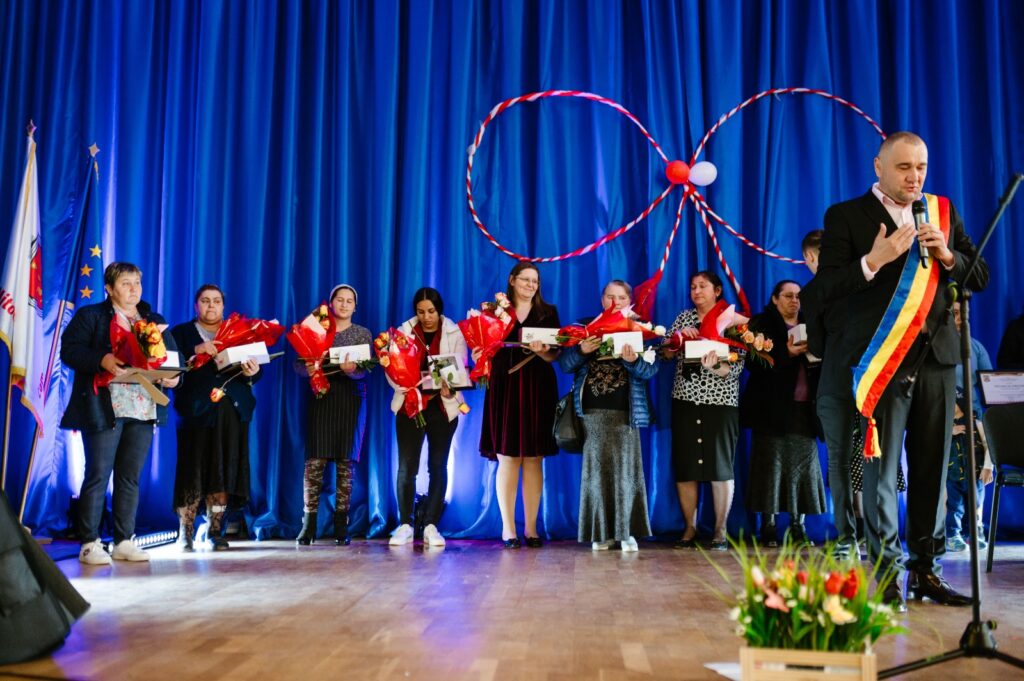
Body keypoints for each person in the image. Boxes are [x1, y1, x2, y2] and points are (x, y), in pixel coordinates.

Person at [814, 131, 988, 611]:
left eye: (921, 167)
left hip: (938, 360)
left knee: (932, 468)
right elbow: (826, 289)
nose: (915, 177)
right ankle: (888, 573)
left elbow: (980, 275)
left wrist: (948, 255)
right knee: (882, 474)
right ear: (879, 167)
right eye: (904, 167)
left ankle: (927, 568)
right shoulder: (846, 216)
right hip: (882, 361)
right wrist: (874, 261)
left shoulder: (942, 213)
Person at [60, 262, 180, 565]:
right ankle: (90, 542)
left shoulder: (153, 320)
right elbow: (69, 350)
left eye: (137, 283)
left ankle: (124, 540)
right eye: (126, 283)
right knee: (98, 474)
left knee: (130, 477)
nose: (133, 289)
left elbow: (172, 360)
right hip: (104, 406)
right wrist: (103, 359)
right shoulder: (92, 316)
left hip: (143, 407)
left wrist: (172, 378)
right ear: (109, 288)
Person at [559, 281, 658, 552]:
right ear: (602, 299)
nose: (615, 302)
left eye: (621, 297)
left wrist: (632, 360)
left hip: (626, 414)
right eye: (610, 297)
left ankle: (627, 533)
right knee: (595, 475)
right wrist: (582, 351)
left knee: (627, 473)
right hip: (591, 413)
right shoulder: (585, 327)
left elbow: (650, 371)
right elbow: (565, 365)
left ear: (629, 301)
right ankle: (600, 533)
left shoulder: (641, 328)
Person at [170, 285, 261, 551]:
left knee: (223, 470)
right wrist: (195, 353)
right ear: (196, 305)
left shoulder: (239, 332)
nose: (211, 306)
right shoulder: (181, 333)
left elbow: (256, 373)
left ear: (223, 305)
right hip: (195, 411)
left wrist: (252, 371)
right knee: (192, 470)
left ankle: (215, 530)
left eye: (217, 301)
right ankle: (185, 531)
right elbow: (170, 368)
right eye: (205, 301)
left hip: (232, 412)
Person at [478, 262, 561, 548]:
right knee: (508, 457)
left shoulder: (548, 312)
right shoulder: (494, 311)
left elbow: (554, 356)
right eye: (525, 279)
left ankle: (532, 528)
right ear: (512, 280)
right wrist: (479, 353)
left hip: (538, 386)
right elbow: (484, 348)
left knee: (535, 457)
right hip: (505, 385)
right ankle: (508, 529)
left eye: (535, 281)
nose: (530, 285)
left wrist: (544, 351)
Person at [739, 280, 826, 546]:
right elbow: (752, 362)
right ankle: (768, 527)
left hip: (805, 409)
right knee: (770, 469)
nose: (794, 301)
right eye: (788, 296)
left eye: (798, 296)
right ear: (775, 299)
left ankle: (798, 527)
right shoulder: (761, 323)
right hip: (770, 409)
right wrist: (784, 352)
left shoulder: (812, 322)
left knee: (801, 470)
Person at [665, 271, 746, 551]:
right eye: (692, 287)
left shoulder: (732, 320)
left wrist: (716, 365)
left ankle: (720, 530)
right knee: (686, 466)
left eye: (702, 286)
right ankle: (689, 528)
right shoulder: (684, 318)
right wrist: (677, 339)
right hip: (685, 400)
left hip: (721, 403)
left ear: (717, 291)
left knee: (720, 466)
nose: (696, 291)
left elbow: (736, 367)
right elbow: (665, 354)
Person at [388, 287, 468, 548]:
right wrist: (407, 385)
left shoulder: (454, 332)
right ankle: (405, 525)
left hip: (442, 407)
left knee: (438, 465)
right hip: (410, 404)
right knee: (406, 467)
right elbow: (391, 369)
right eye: (421, 312)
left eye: (431, 311)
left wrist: (450, 385)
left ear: (439, 309)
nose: (426, 317)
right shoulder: (403, 333)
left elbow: (461, 367)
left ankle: (431, 525)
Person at [296, 284, 372, 546]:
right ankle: (308, 525)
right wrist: (309, 368)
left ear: (355, 306)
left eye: (349, 301)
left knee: (345, 464)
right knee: (314, 463)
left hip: (351, 400)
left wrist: (352, 370)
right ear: (330, 303)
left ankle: (341, 525)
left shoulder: (362, 333)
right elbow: (298, 367)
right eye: (339, 300)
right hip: (321, 398)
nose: (344, 304)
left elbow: (365, 371)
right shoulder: (316, 329)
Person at [945, 300, 994, 552]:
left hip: (974, 423)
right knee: (952, 484)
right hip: (948, 422)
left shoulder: (976, 348)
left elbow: (989, 386)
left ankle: (975, 530)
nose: (959, 318)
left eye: (962, 313)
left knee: (976, 483)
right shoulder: (936, 347)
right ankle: (950, 532)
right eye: (954, 313)